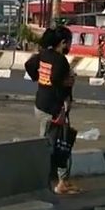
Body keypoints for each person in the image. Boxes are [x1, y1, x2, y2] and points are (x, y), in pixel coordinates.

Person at [25, 26, 79, 195]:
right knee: (56, 145)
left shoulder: (43, 55)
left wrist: (39, 79)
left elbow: (29, 65)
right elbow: (56, 79)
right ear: (63, 43)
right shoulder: (60, 60)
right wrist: (64, 91)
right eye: (68, 43)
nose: (69, 46)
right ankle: (49, 182)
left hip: (41, 104)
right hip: (53, 108)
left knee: (54, 143)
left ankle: (62, 180)